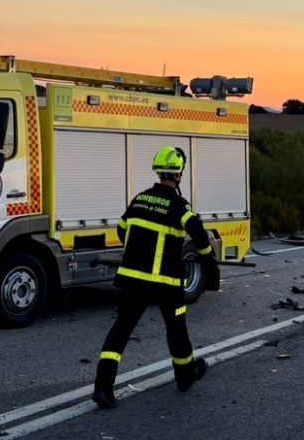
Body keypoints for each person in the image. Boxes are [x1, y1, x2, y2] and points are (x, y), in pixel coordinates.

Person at [92, 146, 220, 409]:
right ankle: (185, 376)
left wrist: (140, 246)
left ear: (159, 172)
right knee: (176, 331)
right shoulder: (179, 205)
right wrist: (209, 262)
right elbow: (199, 236)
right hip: (165, 283)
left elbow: (122, 229)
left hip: (132, 280)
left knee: (120, 331)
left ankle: (103, 389)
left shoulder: (140, 199)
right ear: (179, 174)